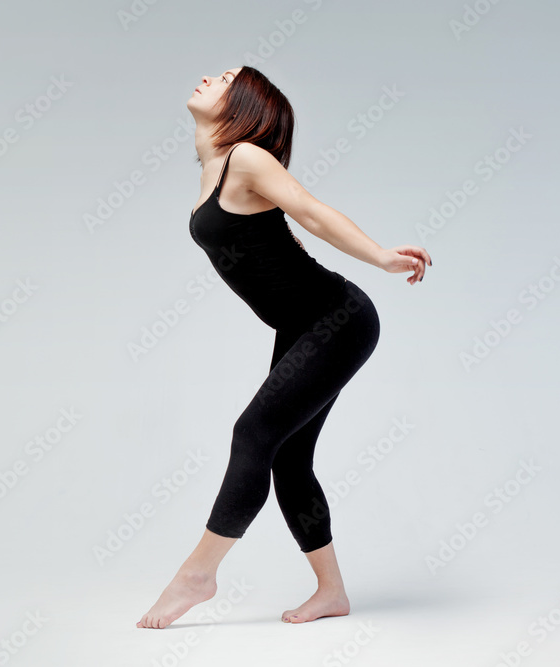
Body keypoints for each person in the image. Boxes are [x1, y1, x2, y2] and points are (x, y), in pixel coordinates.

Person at [137, 66, 432, 630]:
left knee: (253, 434)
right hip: (302, 328)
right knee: (289, 459)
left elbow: (312, 212)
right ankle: (332, 592)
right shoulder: (215, 169)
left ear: (244, 104)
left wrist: (382, 258)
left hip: (336, 320)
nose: (207, 77)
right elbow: (279, 236)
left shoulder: (245, 156)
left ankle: (198, 574)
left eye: (224, 78)